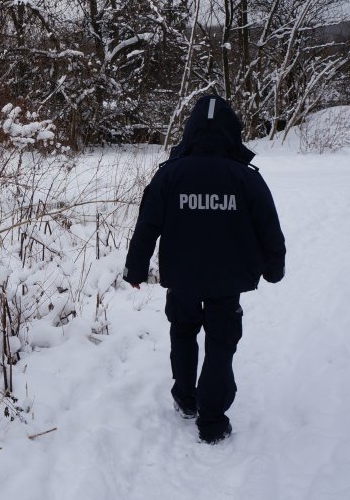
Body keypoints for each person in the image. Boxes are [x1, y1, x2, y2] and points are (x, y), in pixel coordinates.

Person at [123, 94, 285, 444]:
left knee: (183, 331)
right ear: (231, 132)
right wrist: (274, 268)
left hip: (181, 277)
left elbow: (147, 225)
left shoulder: (170, 175)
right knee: (221, 344)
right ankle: (211, 420)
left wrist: (135, 269)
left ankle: (186, 397)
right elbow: (269, 228)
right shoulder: (246, 178)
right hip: (228, 280)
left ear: (190, 131)